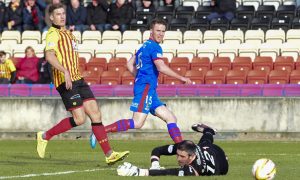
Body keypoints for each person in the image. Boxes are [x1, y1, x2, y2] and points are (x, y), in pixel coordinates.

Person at [36, 3, 129, 165]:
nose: (62, 16)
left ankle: (109, 154)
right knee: (79, 119)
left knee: (96, 114)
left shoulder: (70, 33)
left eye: (63, 13)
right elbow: (50, 56)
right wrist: (65, 71)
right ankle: (45, 136)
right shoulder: (52, 34)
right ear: (51, 18)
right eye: (58, 14)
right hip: (65, 81)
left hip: (78, 79)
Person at [90, 19, 192, 147]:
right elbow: (160, 67)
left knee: (171, 118)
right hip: (146, 88)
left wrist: (139, 77)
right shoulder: (155, 46)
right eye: (158, 31)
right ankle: (99, 131)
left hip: (149, 89)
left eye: (163, 31)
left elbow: (129, 64)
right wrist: (181, 78)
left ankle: (183, 150)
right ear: (151, 31)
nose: (160, 34)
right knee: (137, 123)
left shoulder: (143, 47)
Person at [117, 123, 229, 176]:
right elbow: (157, 150)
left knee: (206, 144)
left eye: (182, 157)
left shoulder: (194, 169)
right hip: (206, 149)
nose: (178, 159)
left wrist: (139, 172)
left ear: (192, 156)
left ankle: (209, 132)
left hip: (222, 164)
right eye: (178, 155)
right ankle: (209, 131)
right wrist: (155, 164)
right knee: (205, 142)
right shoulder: (184, 147)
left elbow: (169, 172)